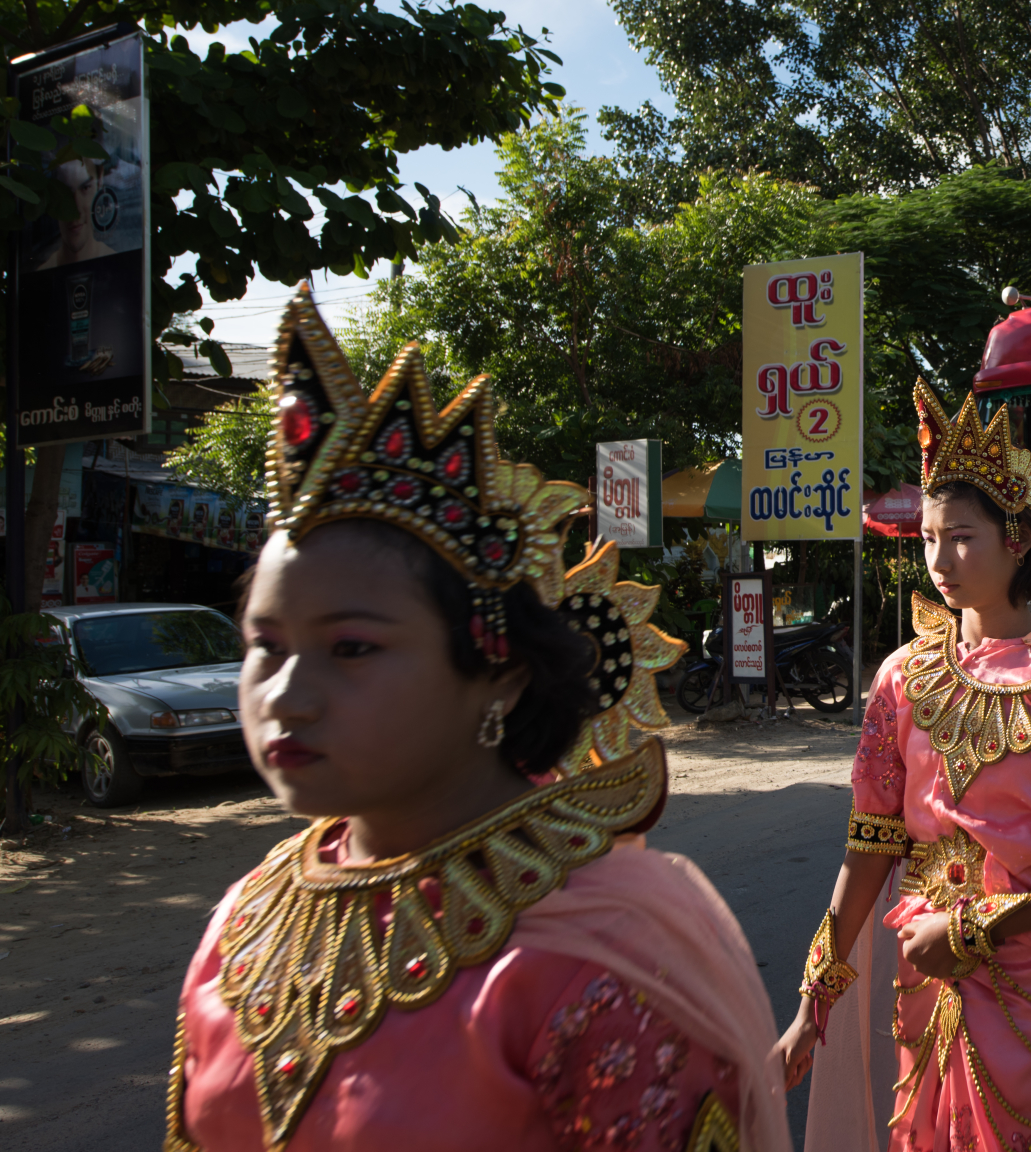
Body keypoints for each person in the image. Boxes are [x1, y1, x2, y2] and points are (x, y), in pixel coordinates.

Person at [167, 288, 791, 1152]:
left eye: (351, 649)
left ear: (499, 674)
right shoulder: (248, 917)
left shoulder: (603, 955)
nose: (286, 694)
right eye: (265, 645)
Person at [773, 381, 1031, 1152]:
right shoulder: (901, 680)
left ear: (1017, 539)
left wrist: (974, 926)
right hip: (926, 973)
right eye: (930, 538)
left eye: (962, 537)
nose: (940, 559)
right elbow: (870, 848)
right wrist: (816, 996)